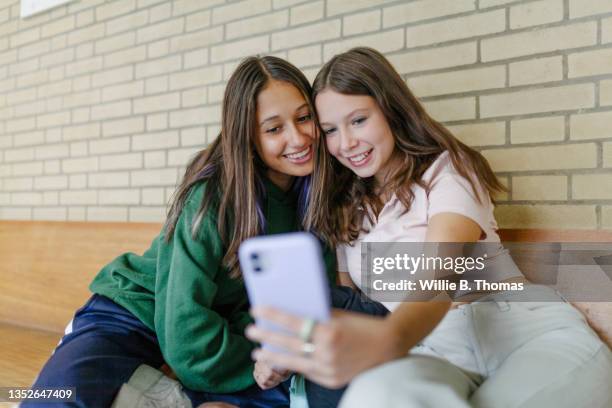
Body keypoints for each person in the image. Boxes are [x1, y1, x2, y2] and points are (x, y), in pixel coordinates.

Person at [245, 47, 612, 408]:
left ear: (391, 110)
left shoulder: (447, 170)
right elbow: (351, 310)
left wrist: (388, 339)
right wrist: (290, 349)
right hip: (431, 353)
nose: (346, 143)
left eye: (358, 120)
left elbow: (439, 276)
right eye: (330, 130)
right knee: (376, 397)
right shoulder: (345, 210)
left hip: (524, 332)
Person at [23, 55, 334, 408]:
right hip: (138, 314)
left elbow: (304, 311)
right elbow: (183, 323)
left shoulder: (317, 201)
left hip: (225, 337)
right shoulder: (213, 194)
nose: (298, 137)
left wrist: (265, 358)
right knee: (54, 401)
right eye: (274, 128)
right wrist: (244, 362)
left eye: (304, 117)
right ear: (248, 138)